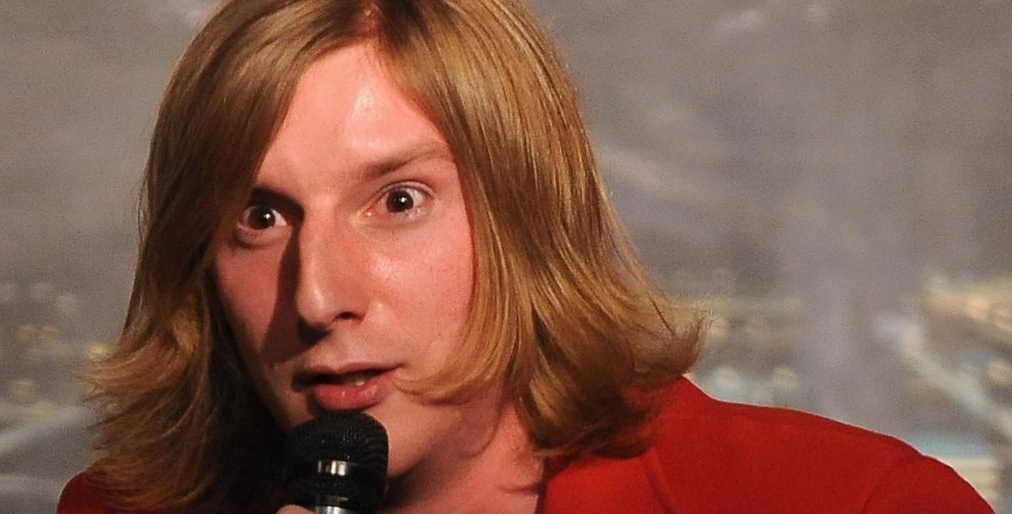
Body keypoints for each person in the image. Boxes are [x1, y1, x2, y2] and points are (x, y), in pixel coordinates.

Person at [58, 0, 992, 512]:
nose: (318, 296)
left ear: (524, 217)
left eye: (398, 202)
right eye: (260, 217)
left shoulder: (858, 504)